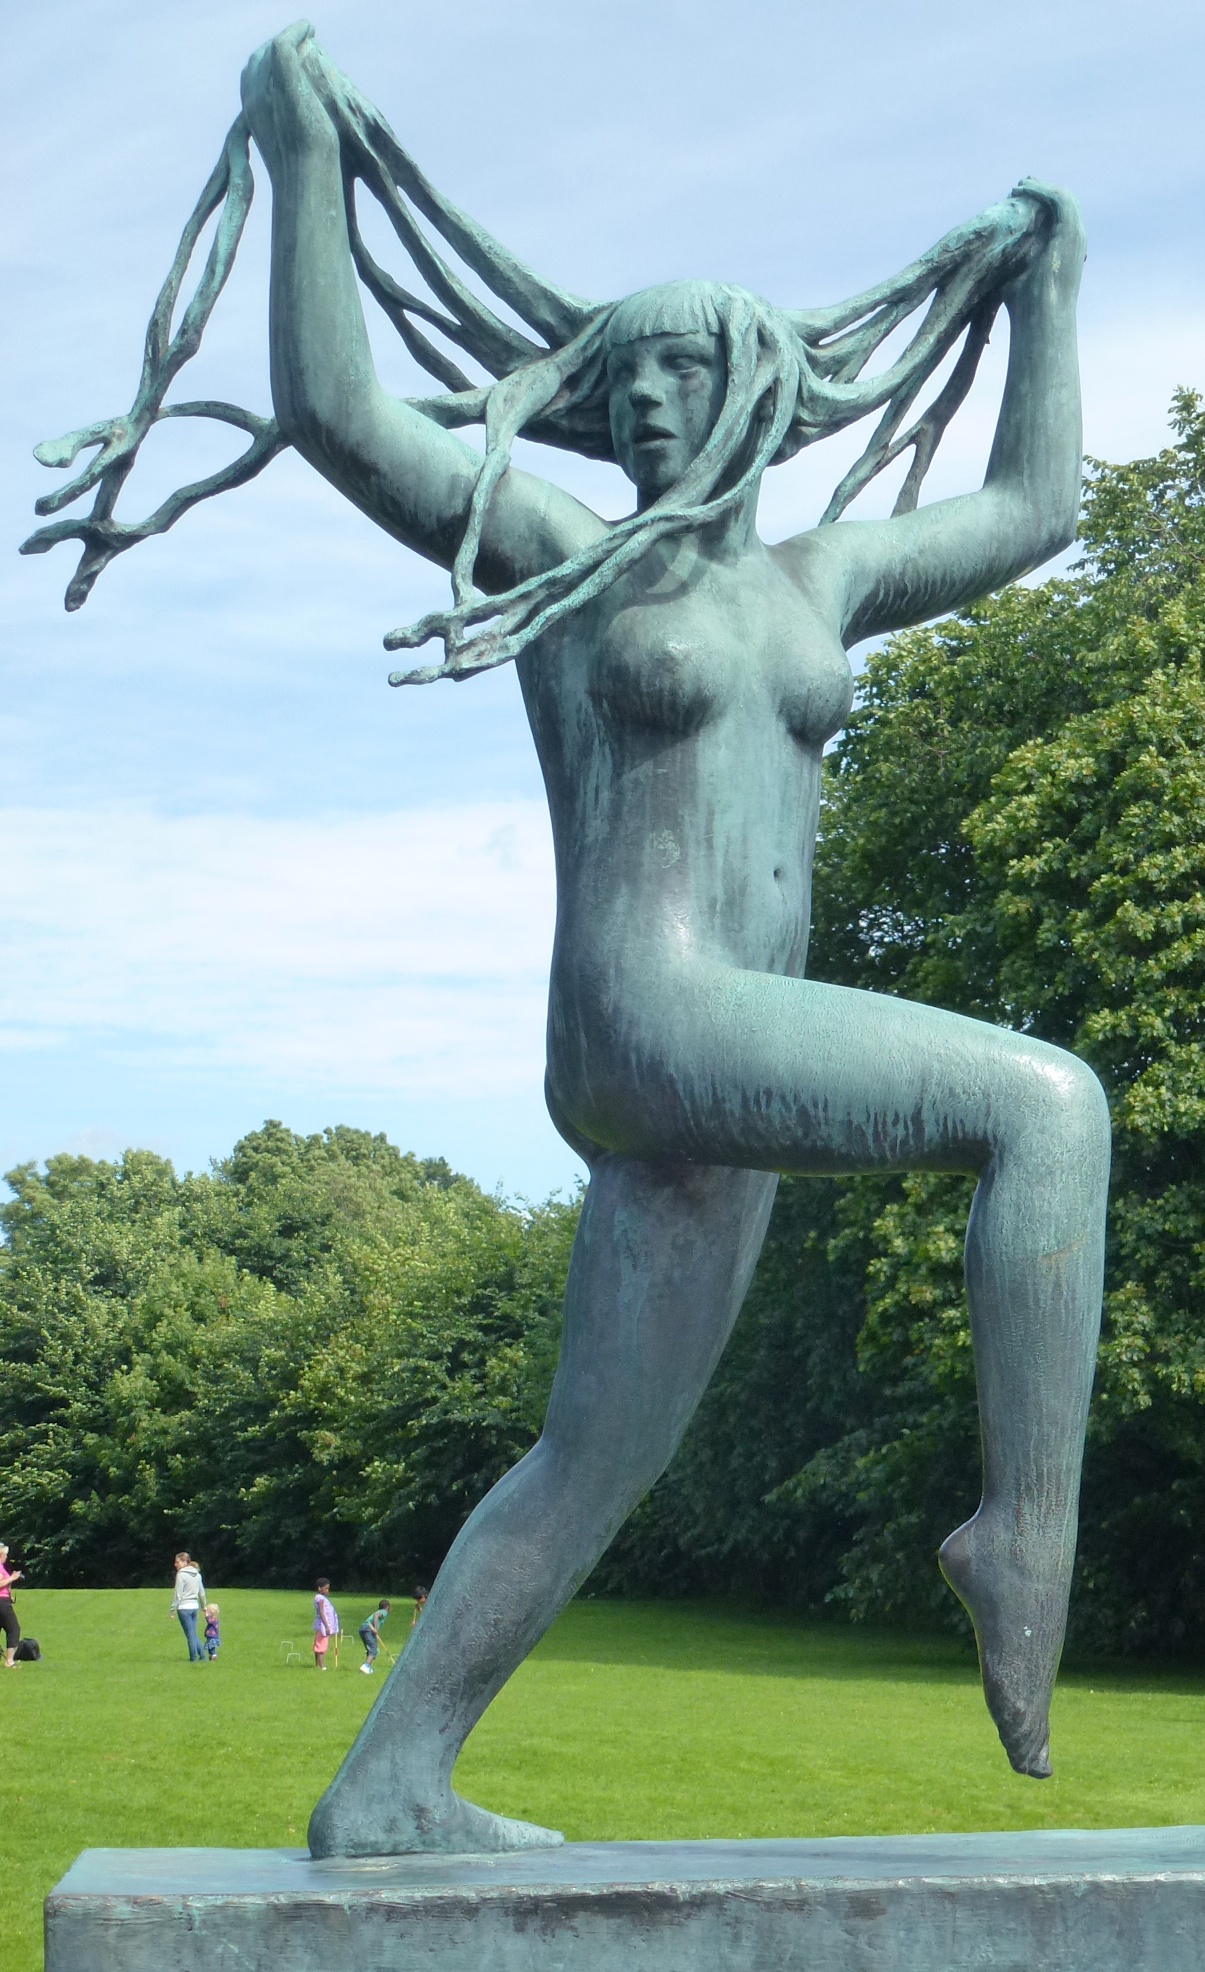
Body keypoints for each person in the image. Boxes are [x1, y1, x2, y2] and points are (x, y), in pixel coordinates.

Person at [48, 28, 1106, 1857]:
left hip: (727, 1073)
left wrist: (1049, 297)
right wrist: (307, 166)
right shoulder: (566, 551)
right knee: (1048, 1109)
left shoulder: (821, 581)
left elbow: (1034, 509)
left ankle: (387, 1784)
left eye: (688, 368)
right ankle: (1022, 1536)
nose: (648, 402)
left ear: (762, 395)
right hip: (653, 1013)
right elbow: (341, 414)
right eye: (625, 377)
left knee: (593, 1462)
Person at [171, 1553, 206, 1662]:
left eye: (177, 1562)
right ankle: (202, 1656)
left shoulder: (181, 1574)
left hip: (183, 1607)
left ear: (185, 1562)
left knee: (190, 1635)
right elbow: (202, 1593)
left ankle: (193, 1658)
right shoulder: (197, 1574)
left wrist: (172, 1609)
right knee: (193, 1633)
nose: (175, 1564)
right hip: (194, 1606)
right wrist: (203, 1607)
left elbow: (178, 1594)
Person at [0, 1544, 23, 1670]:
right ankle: (9, 1661)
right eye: (6, 1555)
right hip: (2, 1602)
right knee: (13, 1629)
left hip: (4, 1599)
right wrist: (12, 1578)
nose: (6, 1557)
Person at [312, 1580, 340, 1670]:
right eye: (326, 1588)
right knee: (321, 1646)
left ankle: (317, 1665)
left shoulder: (321, 1598)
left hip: (321, 1625)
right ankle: (322, 1666)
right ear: (319, 1588)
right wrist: (327, 1626)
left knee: (318, 1644)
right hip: (322, 1625)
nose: (328, 1590)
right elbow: (321, 1612)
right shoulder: (320, 1598)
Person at [358, 1599, 391, 1675]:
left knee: (371, 1648)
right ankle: (366, 1666)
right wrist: (375, 1628)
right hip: (369, 1628)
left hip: (363, 1628)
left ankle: (367, 1668)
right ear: (387, 1607)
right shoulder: (384, 1611)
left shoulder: (380, 1611)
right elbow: (376, 1615)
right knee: (373, 1649)